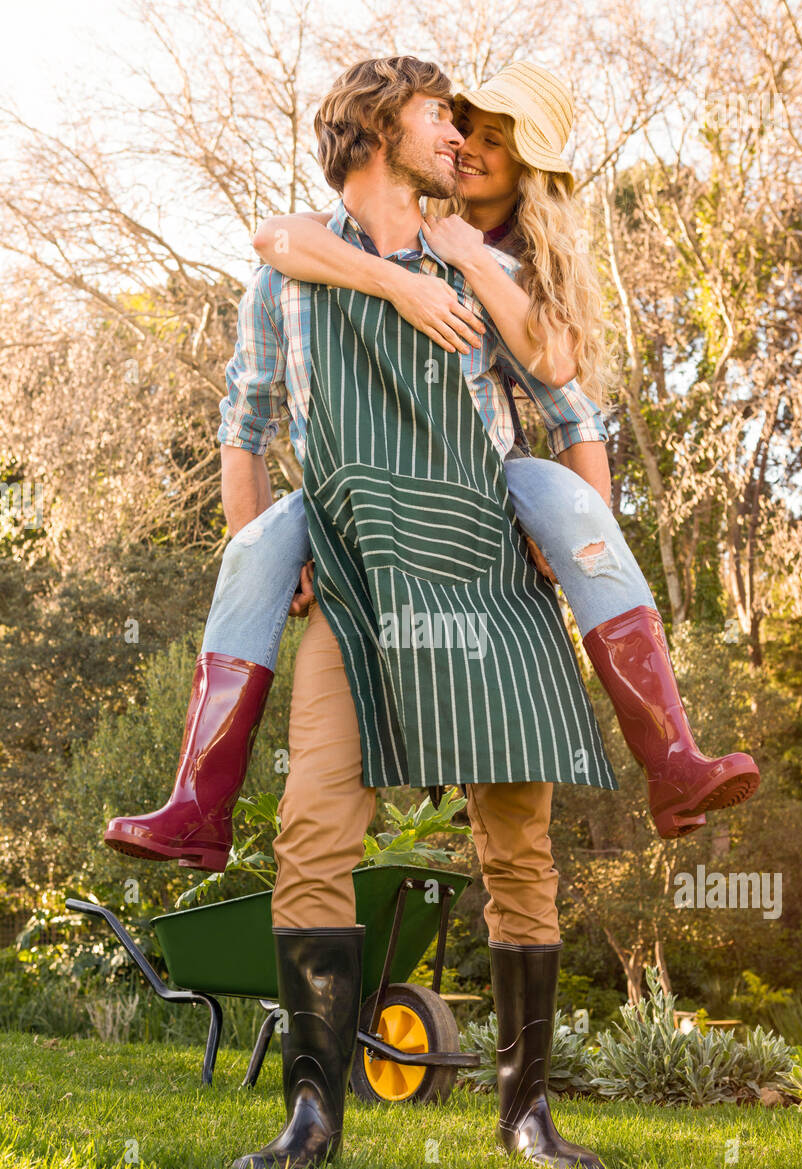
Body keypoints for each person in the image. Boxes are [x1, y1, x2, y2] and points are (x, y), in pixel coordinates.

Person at [104, 62, 759, 880]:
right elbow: (259, 335)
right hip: (353, 495)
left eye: (484, 137)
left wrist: (571, 538)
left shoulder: (482, 264)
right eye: (448, 121)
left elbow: (568, 396)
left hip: (480, 489)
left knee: (566, 500)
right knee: (250, 552)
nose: (460, 142)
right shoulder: (309, 263)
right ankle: (198, 804)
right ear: (387, 129)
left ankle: (672, 760)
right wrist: (395, 284)